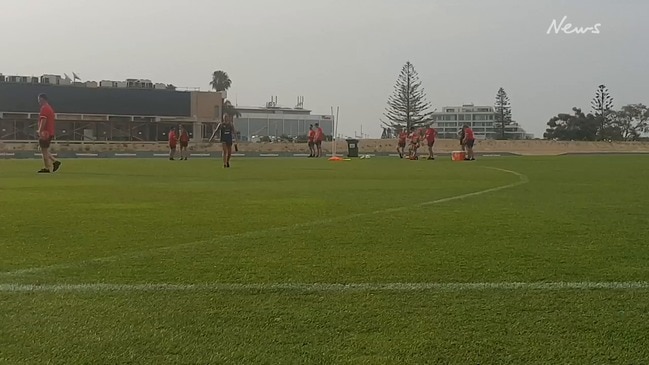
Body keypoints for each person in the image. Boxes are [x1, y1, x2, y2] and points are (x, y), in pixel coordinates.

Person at [36, 94, 61, 173]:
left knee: (44, 150)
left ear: (43, 99)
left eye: (39, 99)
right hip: (49, 131)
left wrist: (40, 130)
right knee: (44, 149)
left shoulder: (45, 108)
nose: (38, 101)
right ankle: (55, 161)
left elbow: (43, 120)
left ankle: (47, 167)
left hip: (45, 132)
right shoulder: (49, 108)